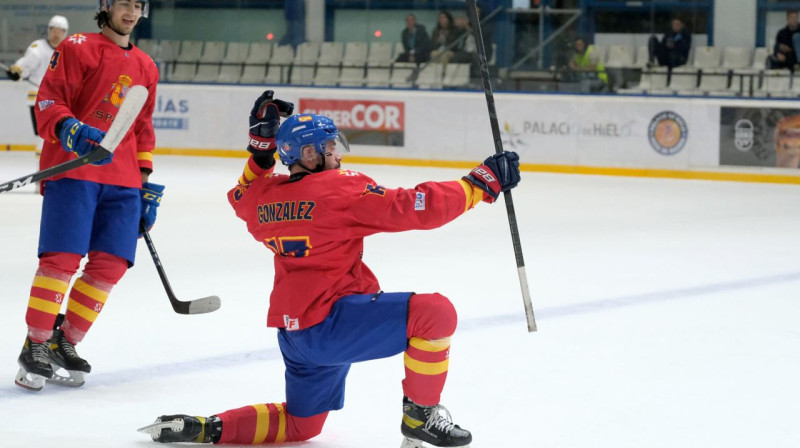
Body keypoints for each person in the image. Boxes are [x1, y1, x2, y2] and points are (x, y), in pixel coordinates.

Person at [139, 90, 521, 447]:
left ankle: (205, 428)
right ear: (308, 154)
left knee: (301, 426)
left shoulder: (261, 200)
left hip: (296, 335)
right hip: (333, 322)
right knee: (434, 313)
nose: (337, 154)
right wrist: (479, 184)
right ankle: (421, 414)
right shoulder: (339, 190)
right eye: (329, 147)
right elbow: (414, 207)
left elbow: (242, 193)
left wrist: (259, 151)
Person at [14, 0, 160, 392]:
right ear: (106, 6)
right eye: (124, 3)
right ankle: (37, 343)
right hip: (74, 169)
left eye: (138, 5)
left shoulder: (147, 66)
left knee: (111, 264)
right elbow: (49, 100)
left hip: (124, 178)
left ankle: (66, 342)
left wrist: (144, 183)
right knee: (62, 259)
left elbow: (143, 129)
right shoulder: (77, 46)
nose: (131, 12)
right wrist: (72, 130)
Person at [5, 15, 69, 185]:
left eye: (60, 31)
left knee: (60, 140)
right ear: (48, 31)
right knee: (42, 139)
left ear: (65, 32)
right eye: (53, 30)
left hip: (61, 101)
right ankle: (41, 177)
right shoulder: (37, 48)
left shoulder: (68, 49)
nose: (56, 34)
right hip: (38, 99)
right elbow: (23, 67)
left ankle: (57, 175)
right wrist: (17, 70)